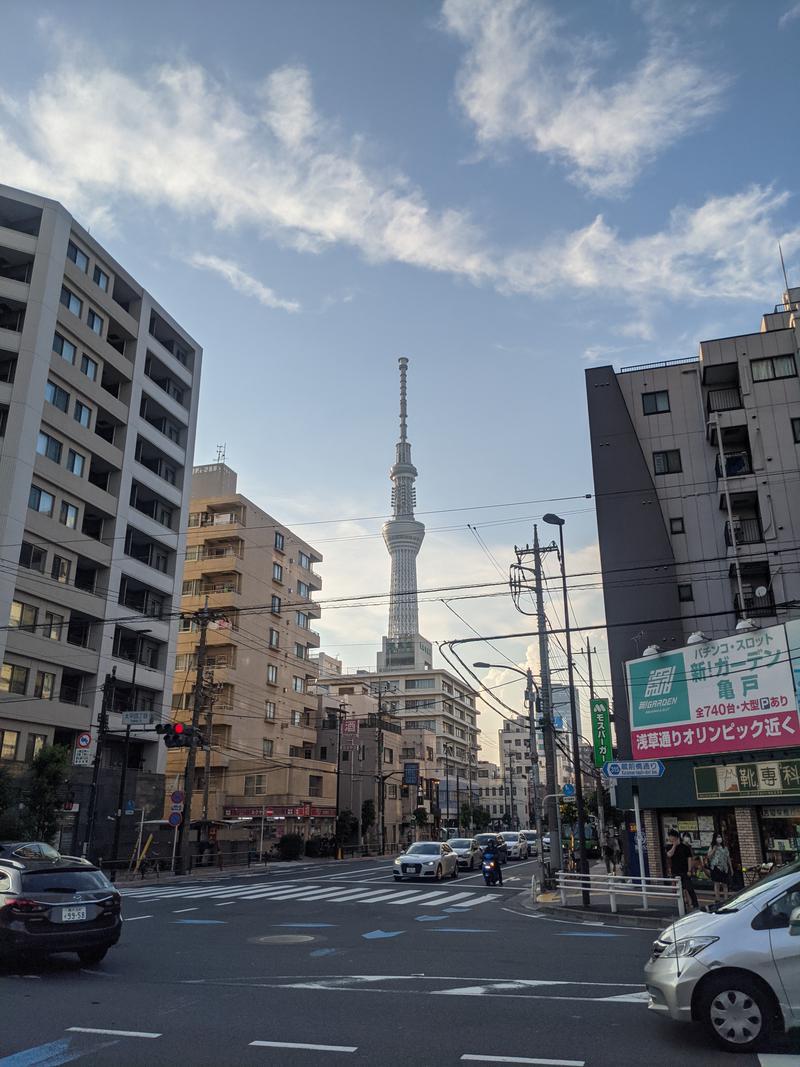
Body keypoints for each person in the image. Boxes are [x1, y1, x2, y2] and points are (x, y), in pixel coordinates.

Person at [667, 828, 698, 911]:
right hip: (675, 872)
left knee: (689, 888)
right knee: (679, 891)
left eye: (671, 836)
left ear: (676, 837)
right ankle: (682, 907)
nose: (670, 838)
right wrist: (674, 845)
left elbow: (689, 859)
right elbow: (669, 855)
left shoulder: (685, 847)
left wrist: (689, 870)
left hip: (684, 871)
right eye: (669, 837)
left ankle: (696, 905)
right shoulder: (669, 846)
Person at [706, 833, 733, 904]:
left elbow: (728, 858)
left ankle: (726, 899)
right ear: (715, 838)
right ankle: (717, 899)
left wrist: (731, 868)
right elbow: (708, 856)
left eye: (720, 837)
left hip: (724, 868)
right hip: (715, 867)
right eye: (717, 837)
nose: (719, 838)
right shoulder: (712, 846)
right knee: (717, 883)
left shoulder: (725, 847)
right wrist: (714, 849)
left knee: (725, 883)